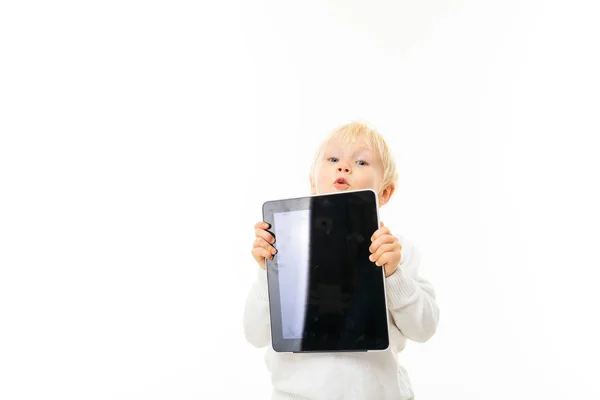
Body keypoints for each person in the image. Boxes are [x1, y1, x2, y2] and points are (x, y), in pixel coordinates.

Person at [243, 121, 439, 400]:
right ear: (313, 182)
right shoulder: (285, 249)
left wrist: (393, 274)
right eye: (333, 159)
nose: (344, 167)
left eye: (361, 161)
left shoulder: (397, 251)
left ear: (385, 192)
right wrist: (267, 272)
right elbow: (255, 334)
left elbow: (424, 328)